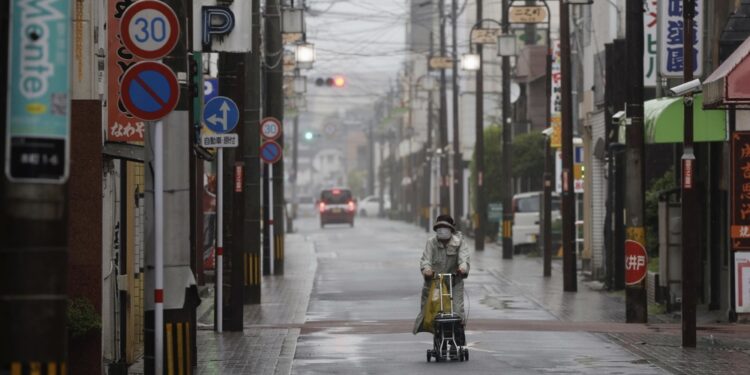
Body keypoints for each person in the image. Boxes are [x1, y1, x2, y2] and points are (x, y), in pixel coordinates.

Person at [413, 214, 470, 335]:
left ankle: (458, 337)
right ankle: (438, 336)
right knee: (434, 312)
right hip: (436, 284)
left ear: (451, 229)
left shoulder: (459, 243)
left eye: (445, 227)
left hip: (454, 282)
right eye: (439, 227)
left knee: (457, 312)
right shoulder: (431, 243)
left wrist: (462, 268)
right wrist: (427, 270)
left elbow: (464, 258)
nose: (442, 230)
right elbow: (425, 260)